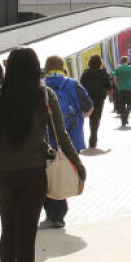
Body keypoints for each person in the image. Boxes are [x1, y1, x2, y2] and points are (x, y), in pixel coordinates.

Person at [0, 47, 85, 262]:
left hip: (5, 173)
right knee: (27, 238)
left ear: (10, 67)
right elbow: (62, 137)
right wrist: (79, 168)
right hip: (34, 173)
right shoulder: (45, 95)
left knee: (8, 231)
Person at [42, 56, 93, 227]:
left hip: (46, 138)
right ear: (62, 67)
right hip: (71, 136)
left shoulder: (41, 86)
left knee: (47, 173)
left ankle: (50, 210)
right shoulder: (73, 84)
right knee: (64, 170)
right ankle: (59, 215)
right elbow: (89, 107)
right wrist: (77, 119)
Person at [79, 55, 113, 149]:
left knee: (84, 118)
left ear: (89, 63)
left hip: (87, 98)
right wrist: (111, 96)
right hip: (99, 99)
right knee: (96, 119)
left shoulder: (85, 73)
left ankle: (81, 139)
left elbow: (81, 87)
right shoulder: (104, 73)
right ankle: (93, 139)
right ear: (100, 63)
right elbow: (109, 86)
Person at [112, 56, 131, 126]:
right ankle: (126, 115)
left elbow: (115, 79)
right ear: (127, 61)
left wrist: (117, 86)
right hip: (129, 88)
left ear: (121, 61)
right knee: (129, 103)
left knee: (121, 104)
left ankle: (123, 118)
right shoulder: (130, 68)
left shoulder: (118, 68)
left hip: (120, 88)